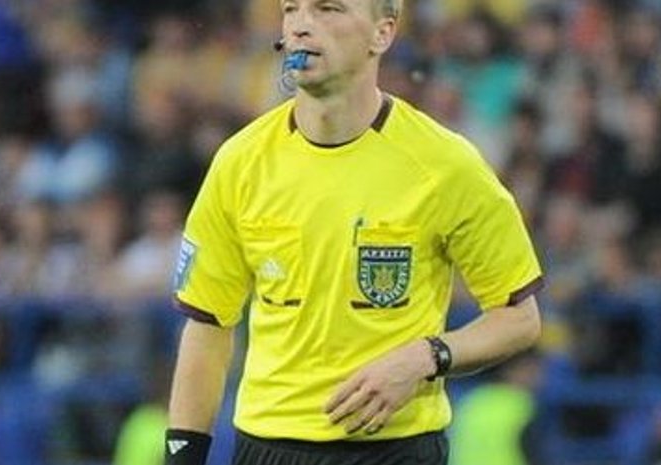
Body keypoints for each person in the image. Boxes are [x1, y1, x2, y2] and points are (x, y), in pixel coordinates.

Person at [164, 1, 543, 464]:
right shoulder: (240, 163)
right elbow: (208, 324)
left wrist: (426, 357)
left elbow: (519, 318)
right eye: (291, 9)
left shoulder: (445, 165)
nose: (301, 26)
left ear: (382, 34)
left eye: (328, 9)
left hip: (396, 450)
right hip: (266, 447)